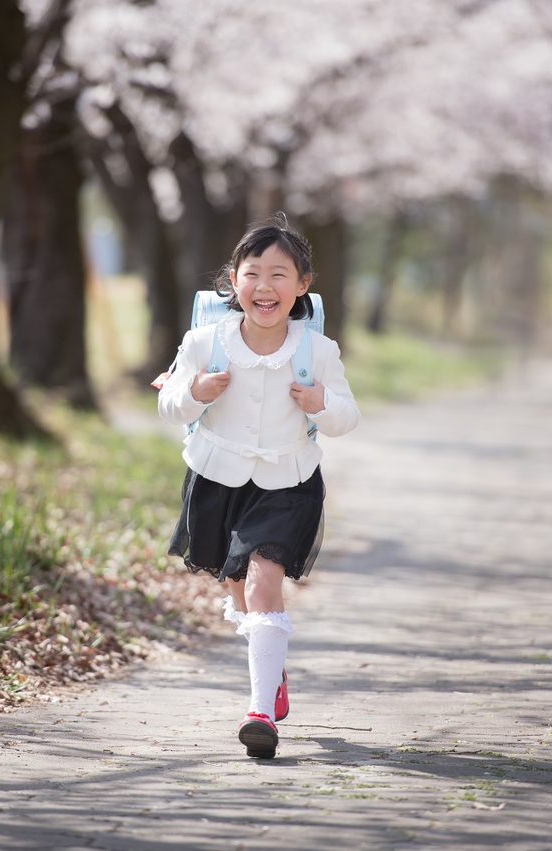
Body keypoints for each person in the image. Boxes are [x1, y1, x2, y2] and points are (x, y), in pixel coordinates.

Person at [157, 212, 360, 759]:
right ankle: (274, 672)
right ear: (233, 280)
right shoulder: (205, 340)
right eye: (252, 273)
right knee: (242, 593)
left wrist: (321, 403)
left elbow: (346, 417)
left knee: (264, 579)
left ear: (302, 286)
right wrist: (196, 389)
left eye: (279, 275)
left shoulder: (317, 351)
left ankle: (260, 713)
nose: (264, 287)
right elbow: (169, 404)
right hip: (216, 480)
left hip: (287, 482)